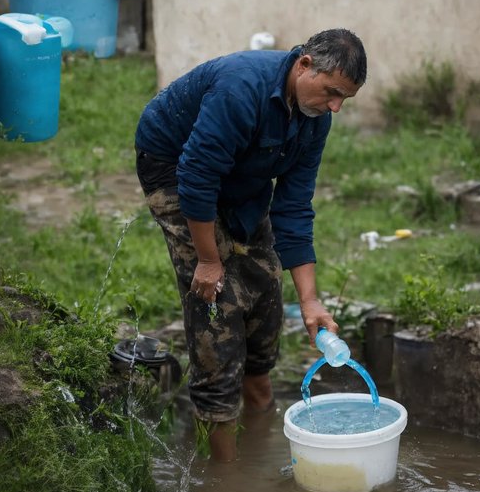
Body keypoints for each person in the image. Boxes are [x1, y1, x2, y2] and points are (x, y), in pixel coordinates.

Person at [134, 28, 366, 462]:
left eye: (344, 99)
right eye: (332, 92)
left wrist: (311, 301)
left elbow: (294, 207)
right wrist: (207, 260)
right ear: (304, 66)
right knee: (217, 308)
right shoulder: (242, 89)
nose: (335, 106)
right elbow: (197, 177)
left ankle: (261, 427)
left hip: (241, 173)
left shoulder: (315, 120)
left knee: (262, 293)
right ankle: (224, 475)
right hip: (173, 164)